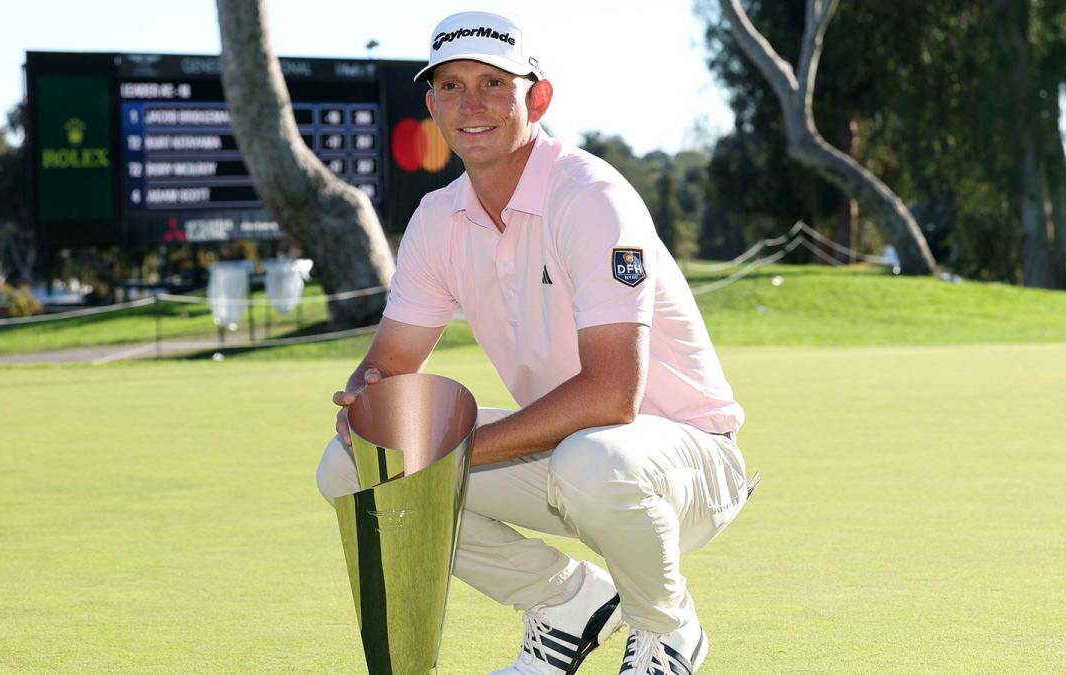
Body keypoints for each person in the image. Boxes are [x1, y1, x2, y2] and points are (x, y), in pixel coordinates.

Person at [316, 10, 757, 675]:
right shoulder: (438, 219)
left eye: (494, 83)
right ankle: (567, 603)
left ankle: (669, 631)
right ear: (432, 103)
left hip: (685, 462)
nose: (472, 104)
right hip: (566, 453)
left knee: (592, 457)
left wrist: (449, 458)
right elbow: (389, 362)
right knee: (351, 468)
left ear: (537, 96)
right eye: (452, 86)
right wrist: (370, 401)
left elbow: (612, 395)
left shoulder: (591, 197)